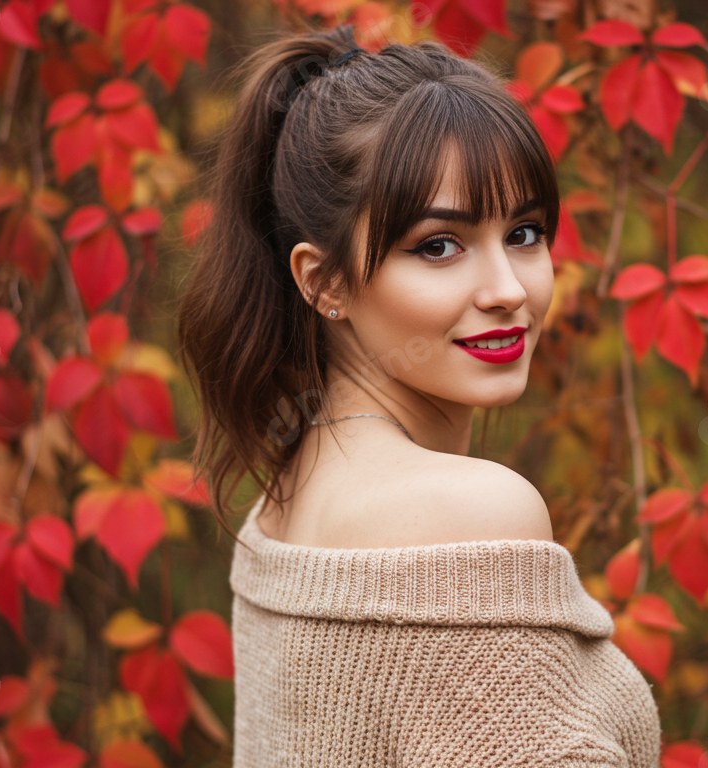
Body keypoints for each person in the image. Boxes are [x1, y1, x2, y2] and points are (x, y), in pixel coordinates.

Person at [176, 25, 662, 767]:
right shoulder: (470, 515)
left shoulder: (280, 503)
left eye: (525, 233)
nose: (508, 291)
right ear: (324, 280)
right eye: (439, 245)